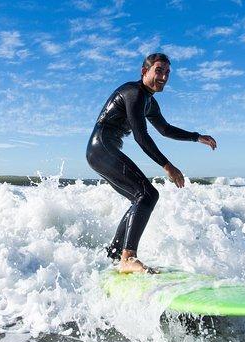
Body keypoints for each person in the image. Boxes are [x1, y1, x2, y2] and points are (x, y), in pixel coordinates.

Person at [86, 53, 217, 274]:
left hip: (101, 151)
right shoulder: (134, 93)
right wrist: (168, 166)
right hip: (101, 148)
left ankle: (115, 254)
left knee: (139, 198)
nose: (164, 77)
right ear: (144, 71)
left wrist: (196, 136)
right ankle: (128, 257)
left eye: (167, 73)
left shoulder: (149, 102)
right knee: (147, 195)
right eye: (159, 70)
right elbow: (140, 135)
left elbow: (165, 129)